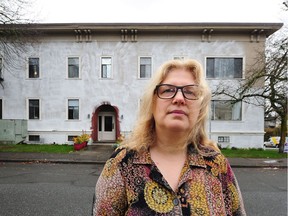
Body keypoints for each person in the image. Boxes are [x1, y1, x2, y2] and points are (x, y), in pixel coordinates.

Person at [92, 59, 246, 215]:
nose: (179, 98)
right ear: (152, 103)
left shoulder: (216, 165)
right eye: (167, 90)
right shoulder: (122, 163)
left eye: (190, 91)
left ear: (200, 109)